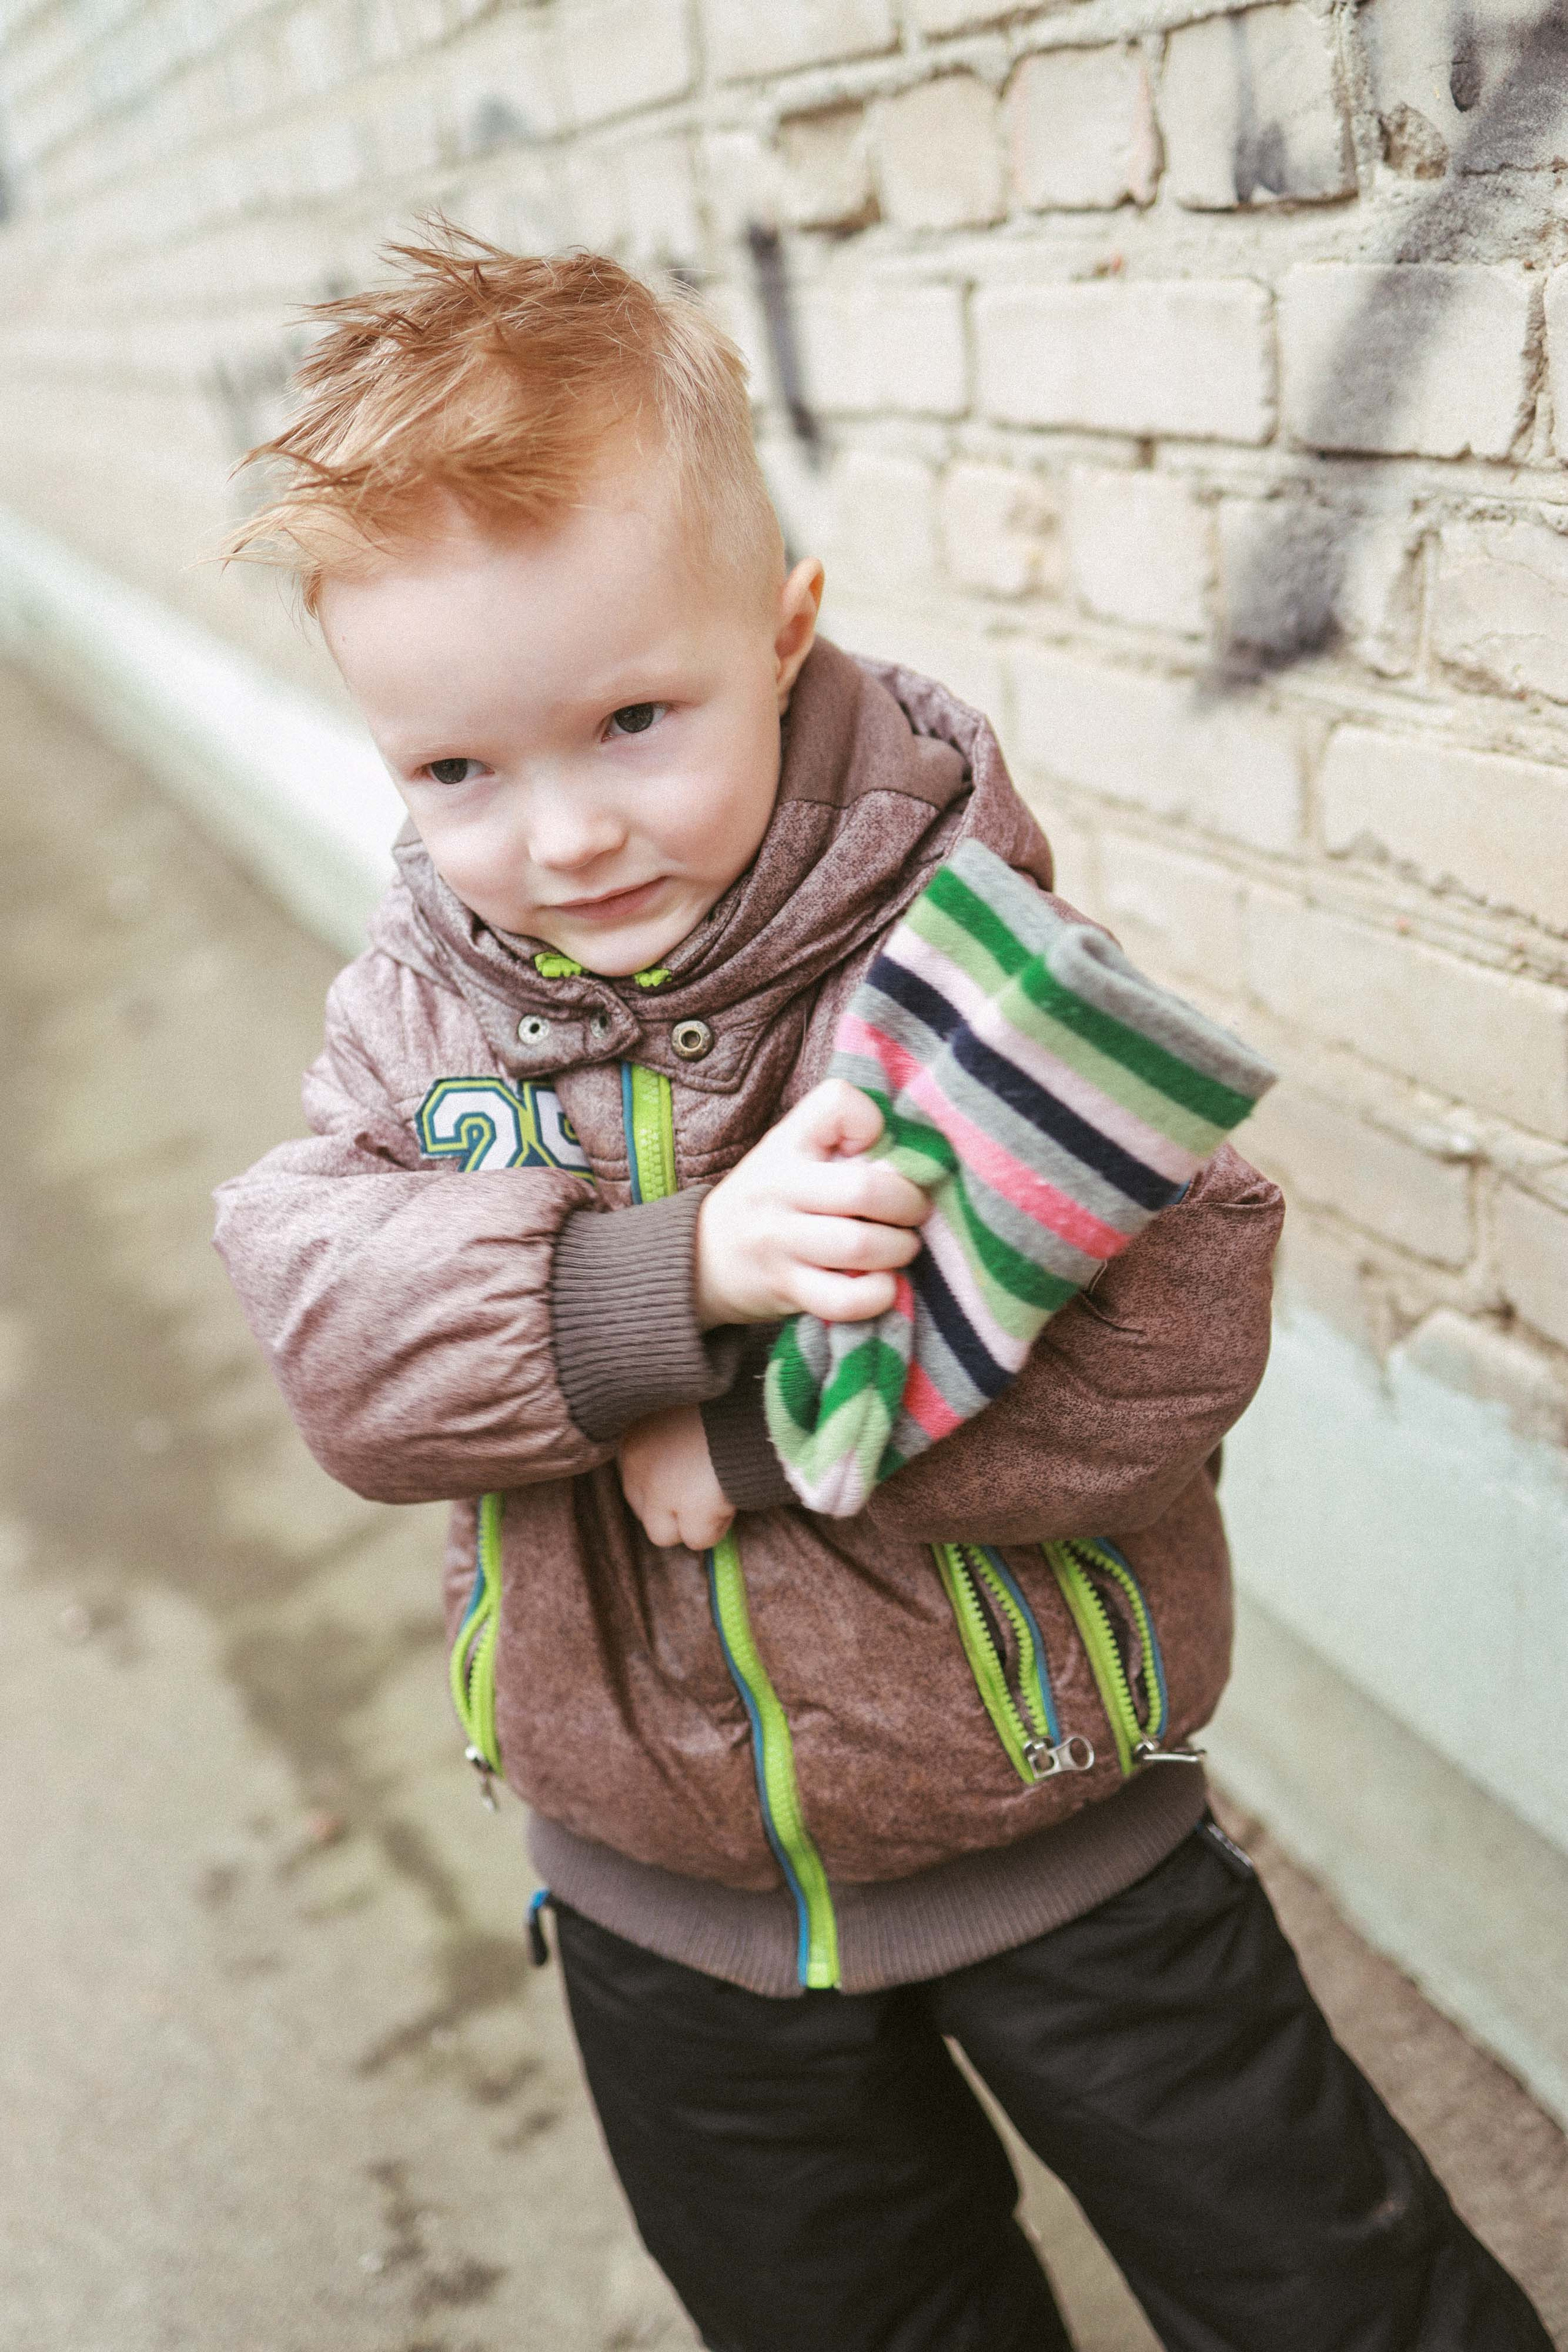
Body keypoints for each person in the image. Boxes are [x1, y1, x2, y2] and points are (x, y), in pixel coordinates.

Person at [214, 230, 1550, 2352]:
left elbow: (1162, 1347)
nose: (559, 837)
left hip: (1053, 1836)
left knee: (1332, 2291)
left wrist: (738, 1437)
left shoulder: (949, 951)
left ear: (783, 630)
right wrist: (666, 1282)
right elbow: (340, 1348)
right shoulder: (418, 1016)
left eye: (633, 719)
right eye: (455, 772)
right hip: (653, 1890)